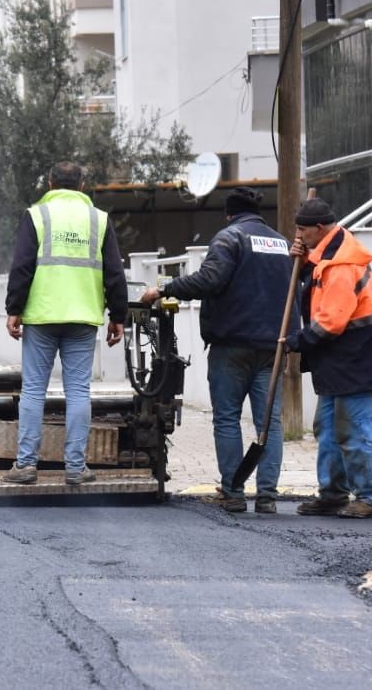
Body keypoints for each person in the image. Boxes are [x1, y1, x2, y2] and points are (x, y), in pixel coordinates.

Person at [140, 187, 292, 513]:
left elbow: (209, 280)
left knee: (227, 419)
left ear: (228, 213)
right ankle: (267, 497)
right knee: (270, 424)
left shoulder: (229, 238)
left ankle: (234, 492)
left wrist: (164, 289)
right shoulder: (281, 244)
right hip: (273, 348)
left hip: (232, 346)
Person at [2, 161, 127, 485]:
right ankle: (75, 467)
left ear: (50, 182)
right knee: (78, 392)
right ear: (82, 186)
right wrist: (118, 317)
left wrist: (14, 308)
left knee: (33, 390)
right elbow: (114, 272)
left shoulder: (37, 216)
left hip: (42, 315)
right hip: (83, 318)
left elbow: (22, 266)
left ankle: (26, 466)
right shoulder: (99, 220)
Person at [286, 196, 372, 519]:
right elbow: (315, 280)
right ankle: (333, 493)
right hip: (340, 360)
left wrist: (296, 342)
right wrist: (304, 260)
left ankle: (371, 498)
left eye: (303, 231)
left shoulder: (343, 266)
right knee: (328, 428)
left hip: (356, 360)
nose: (299, 236)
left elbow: (330, 324)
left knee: (354, 429)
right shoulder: (329, 253)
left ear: (319, 229)